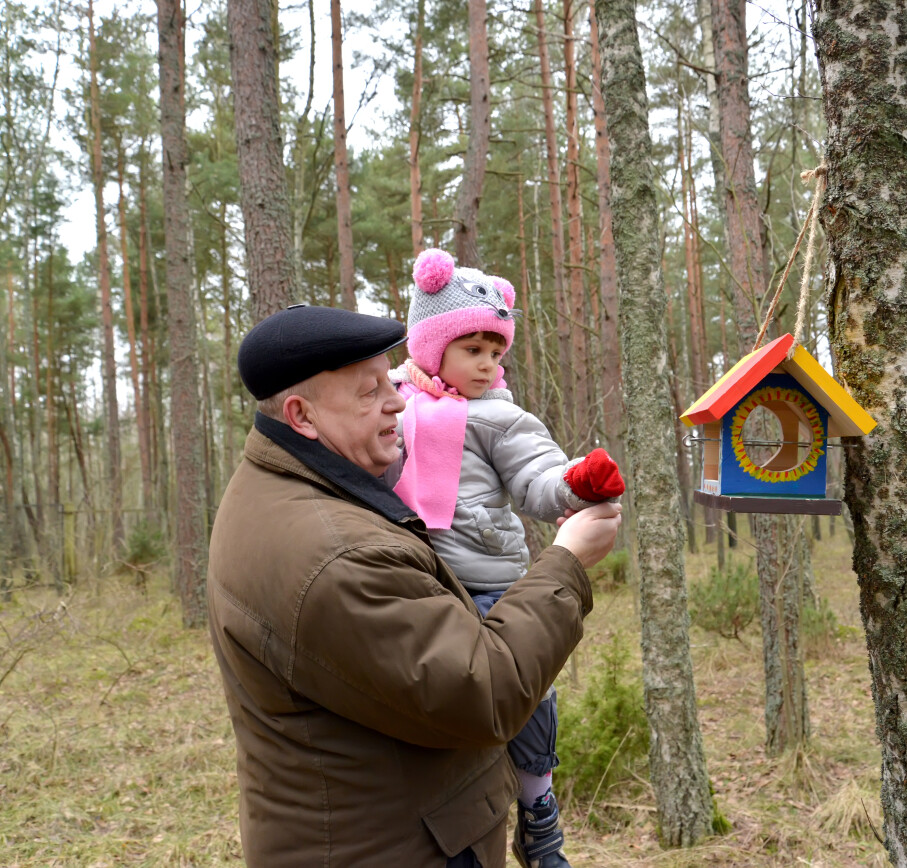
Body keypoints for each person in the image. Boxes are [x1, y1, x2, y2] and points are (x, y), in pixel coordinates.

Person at [207, 303, 621, 868]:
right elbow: (484, 689)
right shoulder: (336, 554)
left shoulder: (281, 486)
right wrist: (567, 560)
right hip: (398, 847)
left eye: (391, 380)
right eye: (369, 390)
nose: (398, 400)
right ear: (302, 416)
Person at [390, 248, 625, 868]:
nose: (488, 364)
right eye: (473, 350)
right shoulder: (392, 404)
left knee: (525, 693)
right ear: (431, 345)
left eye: (496, 351)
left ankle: (538, 810)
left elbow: (537, 479)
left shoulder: (500, 416)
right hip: (414, 579)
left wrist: (577, 485)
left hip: (489, 580)